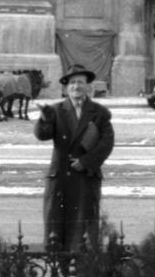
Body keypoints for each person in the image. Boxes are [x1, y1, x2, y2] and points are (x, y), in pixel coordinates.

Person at [34, 64, 115, 251]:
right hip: (60, 178)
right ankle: (60, 273)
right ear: (66, 87)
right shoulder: (55, 110)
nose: (76, 86)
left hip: (86, 177)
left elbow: (106, 144)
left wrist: (85, 162)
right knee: (57, 228)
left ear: (88, 86)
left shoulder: (100, 113)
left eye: (80, 82)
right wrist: (44, 120)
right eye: (72, 83)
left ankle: (83, 273)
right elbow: (42, 135)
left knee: (83, 230)